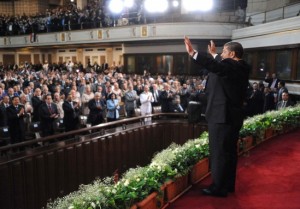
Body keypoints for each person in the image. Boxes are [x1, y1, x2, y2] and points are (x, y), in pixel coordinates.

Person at [184, 36, 250, 197]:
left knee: (219, 153)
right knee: (229, 153)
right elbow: (221, 68)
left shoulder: (231, 66)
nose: (222, 54)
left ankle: (218, 188)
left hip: (222, 117)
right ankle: (227, 185)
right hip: (232, 116)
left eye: (224, 52)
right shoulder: (241, 67)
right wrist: (214, 55)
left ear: (233, 54)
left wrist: (193, 53)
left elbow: (218, 67)